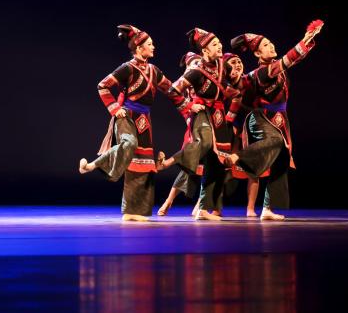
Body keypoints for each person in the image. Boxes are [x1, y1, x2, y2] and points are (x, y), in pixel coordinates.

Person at [79, 25, 183, 221]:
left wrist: (189, 104)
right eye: (150, 44)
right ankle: (94, 165)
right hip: (126, 115)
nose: (154, 47)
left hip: (144, 119)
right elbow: (103, 86)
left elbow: (171, 90)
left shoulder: (154, 70)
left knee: (142, 163)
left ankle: (133, 212)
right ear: (139, 48)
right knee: (129, 144)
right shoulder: (127, 68)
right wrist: (115, 109)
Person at [230, 20, 323, 221]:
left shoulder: (274, 69)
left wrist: (308, 40)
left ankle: (267, 208)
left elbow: (293, 60)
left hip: (279, 119)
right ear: (257, 54)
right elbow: (289, 59)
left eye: (270, 42)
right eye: (265, 45)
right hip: (262, 118)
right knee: (276, 142)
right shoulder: (265, 71)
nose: (271, 46)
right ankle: (239, 157)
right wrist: (304, 40)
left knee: (282, 159)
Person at [166, 28, 242, 221]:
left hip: (219, 115)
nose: (220, 46)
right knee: (205, 142)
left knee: (217, 163)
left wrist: (235, 82)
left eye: (219, 43)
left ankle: (203, 209)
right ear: (205, 50)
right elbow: (173, 90)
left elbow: (233, 86)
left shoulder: (222, 64)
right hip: (202, 112)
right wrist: (188, 106)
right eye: (215, 44)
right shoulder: (196, 71)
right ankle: (170, 161)